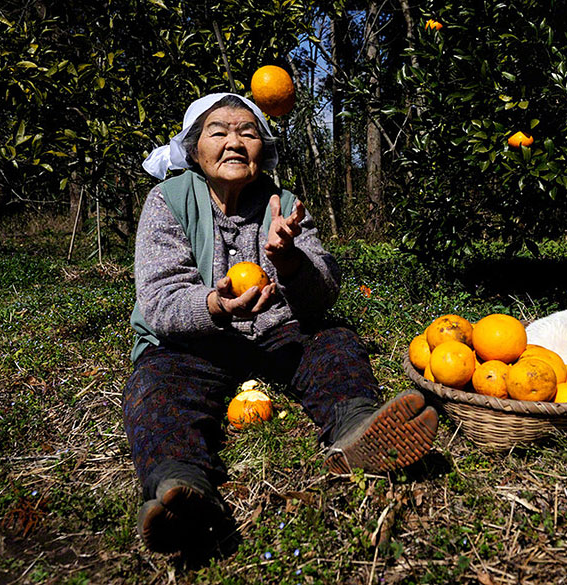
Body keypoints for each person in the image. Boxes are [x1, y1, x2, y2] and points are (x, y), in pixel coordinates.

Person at [124, 93, 439, 554]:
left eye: (247, 132)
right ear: (194, 151)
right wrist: (215, 305)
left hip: (277, 334)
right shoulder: (167, 201)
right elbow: (161, 298)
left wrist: (290, 260)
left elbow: (323, 293)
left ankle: (356, 427)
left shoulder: (282, 202)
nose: (234, 142)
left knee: (333, 341)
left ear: (262, 150)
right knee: (156, 384)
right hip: (194, 342)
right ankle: (180, 485)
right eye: (219, 131)